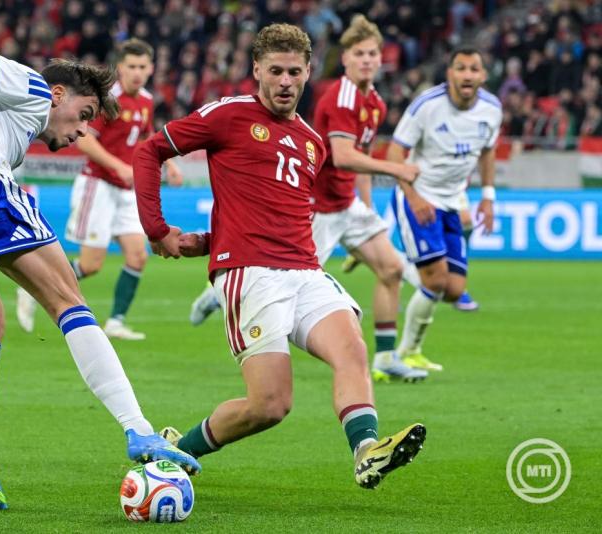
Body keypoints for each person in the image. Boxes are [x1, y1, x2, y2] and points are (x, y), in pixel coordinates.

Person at [0, 44, 200, 511]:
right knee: (69, 300)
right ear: (58, 95)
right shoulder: (36, 89)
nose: (83, 130)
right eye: (84, 114)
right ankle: (139, 430)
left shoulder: (8, 124)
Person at [133, 24, 425, 489]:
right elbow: (150, 152)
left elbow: (276, 210)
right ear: (257, 70)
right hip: (251, 274)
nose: (285, 81)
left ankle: (366, 451)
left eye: (294, 71)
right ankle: (177, 448)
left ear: (308, 71)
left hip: (306, 270)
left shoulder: (312, 142)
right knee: (270, 405)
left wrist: (208, 239)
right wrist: (157, 229)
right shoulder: (228, 114)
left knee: (353, 350)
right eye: (275, 71)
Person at [16, 38, 183, 339]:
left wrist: (168, 162)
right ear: (120, 68)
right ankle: (33, 286)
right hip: (99, 186)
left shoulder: (146, 100)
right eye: (131, 66)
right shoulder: (107, 100)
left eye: (142, 67)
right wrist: (119, 166)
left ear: (151, 69)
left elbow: (144, 135)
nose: (137, 72)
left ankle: (116, 322)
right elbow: (85, 141)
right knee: (92, 264)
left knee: (138, 256)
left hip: (125, 190)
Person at [309, 15, 425, 383]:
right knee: (288, 285)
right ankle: (223, 292)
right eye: (359, 53)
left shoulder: (374, 102)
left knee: (391, 269)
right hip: (317, 208)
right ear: (345, 58)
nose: (366, 60)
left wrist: (367, 212)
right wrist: (398, 170)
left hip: (347, 205)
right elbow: (343, 156)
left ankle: (386, 358)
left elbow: (361, 161)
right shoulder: (341, 98)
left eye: (372, 53)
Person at [387, 46, 502, 372]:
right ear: (450, 73)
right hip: (420, 197)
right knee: (436, 279)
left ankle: (398, 264)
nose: (467, 75)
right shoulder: (426, 105)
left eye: (474, 69)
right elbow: (394, 154)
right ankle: (405, 352)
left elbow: (488, 152)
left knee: (453, 289)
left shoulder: (492, 109)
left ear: (483, 76)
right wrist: (412, 196)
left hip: (454, 200)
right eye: (461, 68)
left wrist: (488, 196)